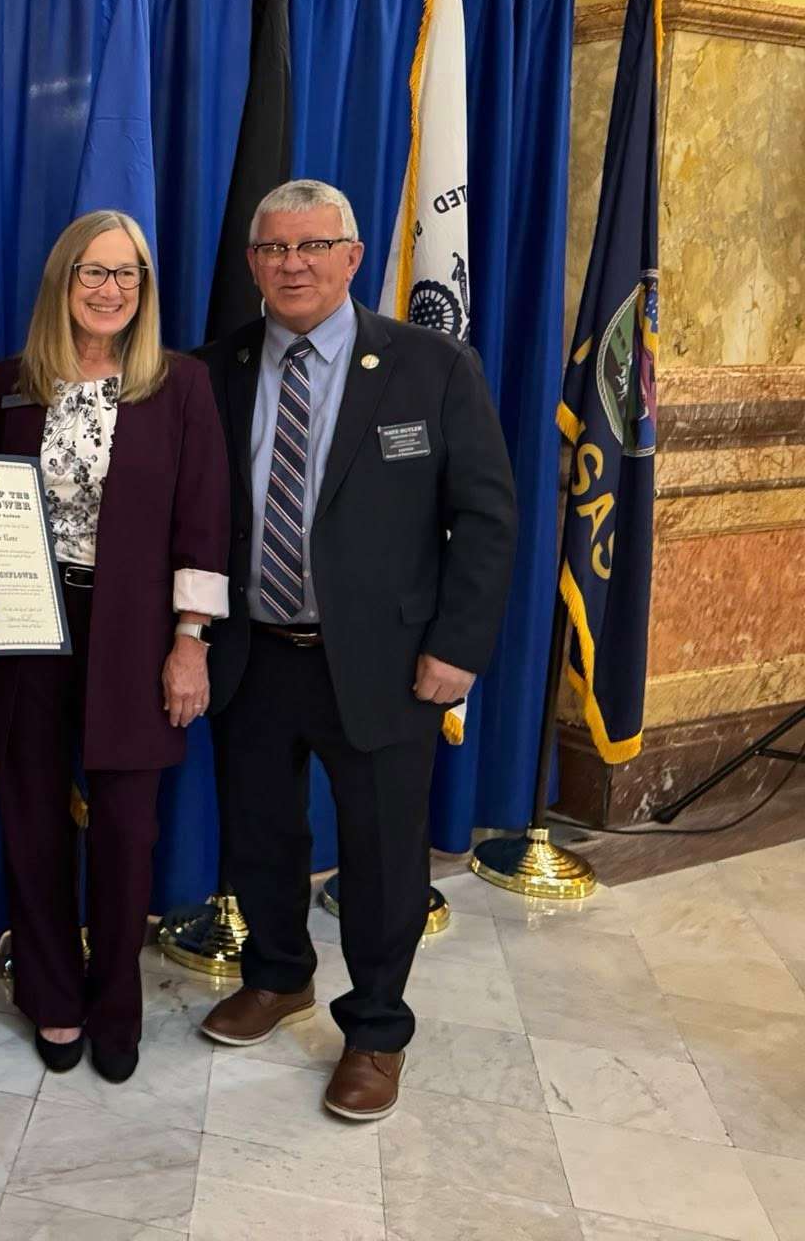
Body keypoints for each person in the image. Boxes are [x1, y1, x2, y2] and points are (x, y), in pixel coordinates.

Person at [195, 177, 517, 1122]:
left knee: (382, 860)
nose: (292, 264)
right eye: (273, 249)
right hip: (252, 656)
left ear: (353, 255)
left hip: (387, 665)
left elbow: (488, 519)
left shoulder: (431, 367)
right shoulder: (214, 369)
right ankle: (277, 974)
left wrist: (457, 650)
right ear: (253, 264)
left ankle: (377, 1029)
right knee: (259, 835)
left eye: (311, 246)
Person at [0, 210, 229, 1082]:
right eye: (94, 270)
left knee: (126, 834)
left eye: (128, 274)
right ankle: (52, 1000)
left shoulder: (179, 385)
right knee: (31, 821)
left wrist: (189, 642)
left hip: (136, 634)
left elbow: (205, 519)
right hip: (25, 633)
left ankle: (117, 1004)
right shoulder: (11, 382)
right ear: (61, 281)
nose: (111, 288)